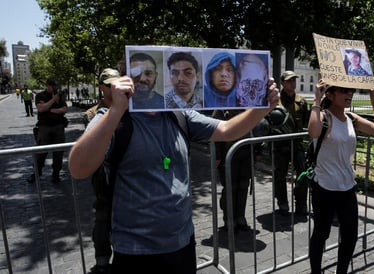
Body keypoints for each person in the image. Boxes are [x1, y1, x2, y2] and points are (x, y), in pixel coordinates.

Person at [68, 75, 280, 273]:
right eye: (139, 77)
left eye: (154, 77)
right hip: (135, 251)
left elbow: (226, 130)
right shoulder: (111, 118)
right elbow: (78, 168)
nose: (148, 84)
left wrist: (262, 108)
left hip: (183, 244)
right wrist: (116, 110)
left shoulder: (179, 114)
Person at [308, 80, 374, 274]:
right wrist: (317, 98)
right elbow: (313, 131)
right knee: (321, 233)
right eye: (344, 90)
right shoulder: (324, 117)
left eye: (351, 90)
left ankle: (341, 271)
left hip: (347, 186)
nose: (349, 94)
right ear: (330, 94)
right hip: (324, 187)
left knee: (350, 235)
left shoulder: (351, 118)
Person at [84, 68, 120, 274]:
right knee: (103, 215)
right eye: (108, 84)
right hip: (101, 173)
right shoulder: (92, 114)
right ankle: (102, 260)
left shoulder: (128, 107)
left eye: (115, 83)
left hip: (123, 170)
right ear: (100, 87)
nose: (112, 88)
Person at [272, 70, 309, 216]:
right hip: (280, 145)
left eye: (294, 80)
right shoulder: (275, 101)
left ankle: (301, 204)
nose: (292, 83)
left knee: (302, 175)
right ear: (282, 83)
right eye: (289, 80)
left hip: (297, 144)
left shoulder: (301, 101)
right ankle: (282, 204)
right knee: (279, 176)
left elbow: (307, 121)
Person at [27, 79, 68, 184]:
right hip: (44, 127)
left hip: (58, 127)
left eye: (55, 86)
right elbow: (41, 109)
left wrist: (56, 110)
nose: (54, 88)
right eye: (52, 86)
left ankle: (56, 174)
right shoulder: (40, 96)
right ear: (47, 86)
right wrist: (53, 100)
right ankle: (36, 173)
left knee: (58, 152)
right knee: (41, 152)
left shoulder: (59, 95)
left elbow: (65, 108)